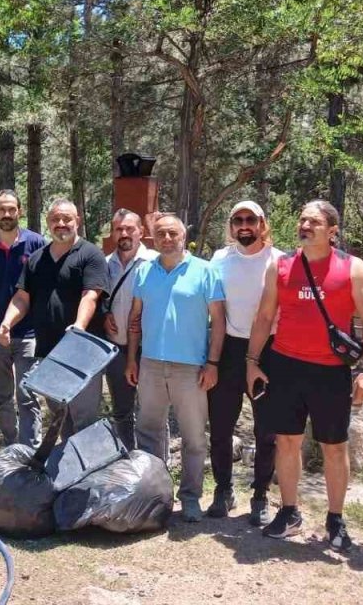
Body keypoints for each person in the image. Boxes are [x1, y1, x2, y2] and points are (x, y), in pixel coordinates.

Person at [245, 200, 363, 551]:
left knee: (334, 447)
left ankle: (336, 519)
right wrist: (252, 361)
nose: (305, 225)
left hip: (331, 371)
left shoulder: (353, 268)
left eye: (314, 222)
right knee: (287, 441)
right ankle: (289, 512)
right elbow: (264, 317)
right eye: (302, 220)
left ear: (332, 230)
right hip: (285, 366)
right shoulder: (282, 265)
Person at [125, 213, 225, 522]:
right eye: (161, 234)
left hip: (191, 367)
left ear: (184, 237)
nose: (167, 239)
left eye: (173, 233)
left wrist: (212, 363)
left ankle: (191, 498)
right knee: (148, 431)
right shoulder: (144, 273)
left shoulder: (205, 271)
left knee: (194, 436)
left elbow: (219, 322)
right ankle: (154, 495)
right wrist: (132, 358)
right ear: (153, 238)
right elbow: (135, 319)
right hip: (151, 364)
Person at [0, 198, 108, 439]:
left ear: (77, 220)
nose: (61, 224)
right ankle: (68, 473)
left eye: (66, 218)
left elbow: (91, 295)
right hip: (49, 352)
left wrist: (78, 327)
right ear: (48, 223)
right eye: (55, 219)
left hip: (83, 352)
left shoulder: (91, 254)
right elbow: (22, 297)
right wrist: (7, 322)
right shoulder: (37, 258)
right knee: (60, 417)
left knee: (83, 419)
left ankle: (87, 474)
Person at [207, 201, 283, 523]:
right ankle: (223, 490)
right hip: (227, 350)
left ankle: (261, 496)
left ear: (262, 223)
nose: (244, 225)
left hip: (269, 350)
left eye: (250, 219)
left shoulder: (280, 260)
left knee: (267, 429)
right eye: (237, 220)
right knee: (221, 427)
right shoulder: (219, 259)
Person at [0, 189, 46, 448]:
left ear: (20, 211)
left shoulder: (37, 244)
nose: (6, 214)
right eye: (1, 209)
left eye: (11, 209)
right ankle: (11, 447)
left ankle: (31, 449)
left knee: (28, 395)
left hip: (29, 333)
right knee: (2, 397)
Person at [98, 209, 158, 448]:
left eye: (129, 228)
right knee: (122, 411)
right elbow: (97, 298)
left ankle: (154, 465)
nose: (124, 233)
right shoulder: (103, 264)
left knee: (152, 413)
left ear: (141, 232)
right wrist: (104, 314)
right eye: (118, 229)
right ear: (112, 233)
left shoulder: (155, 262)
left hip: (149, 349)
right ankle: (128, 465)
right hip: (116, 348)